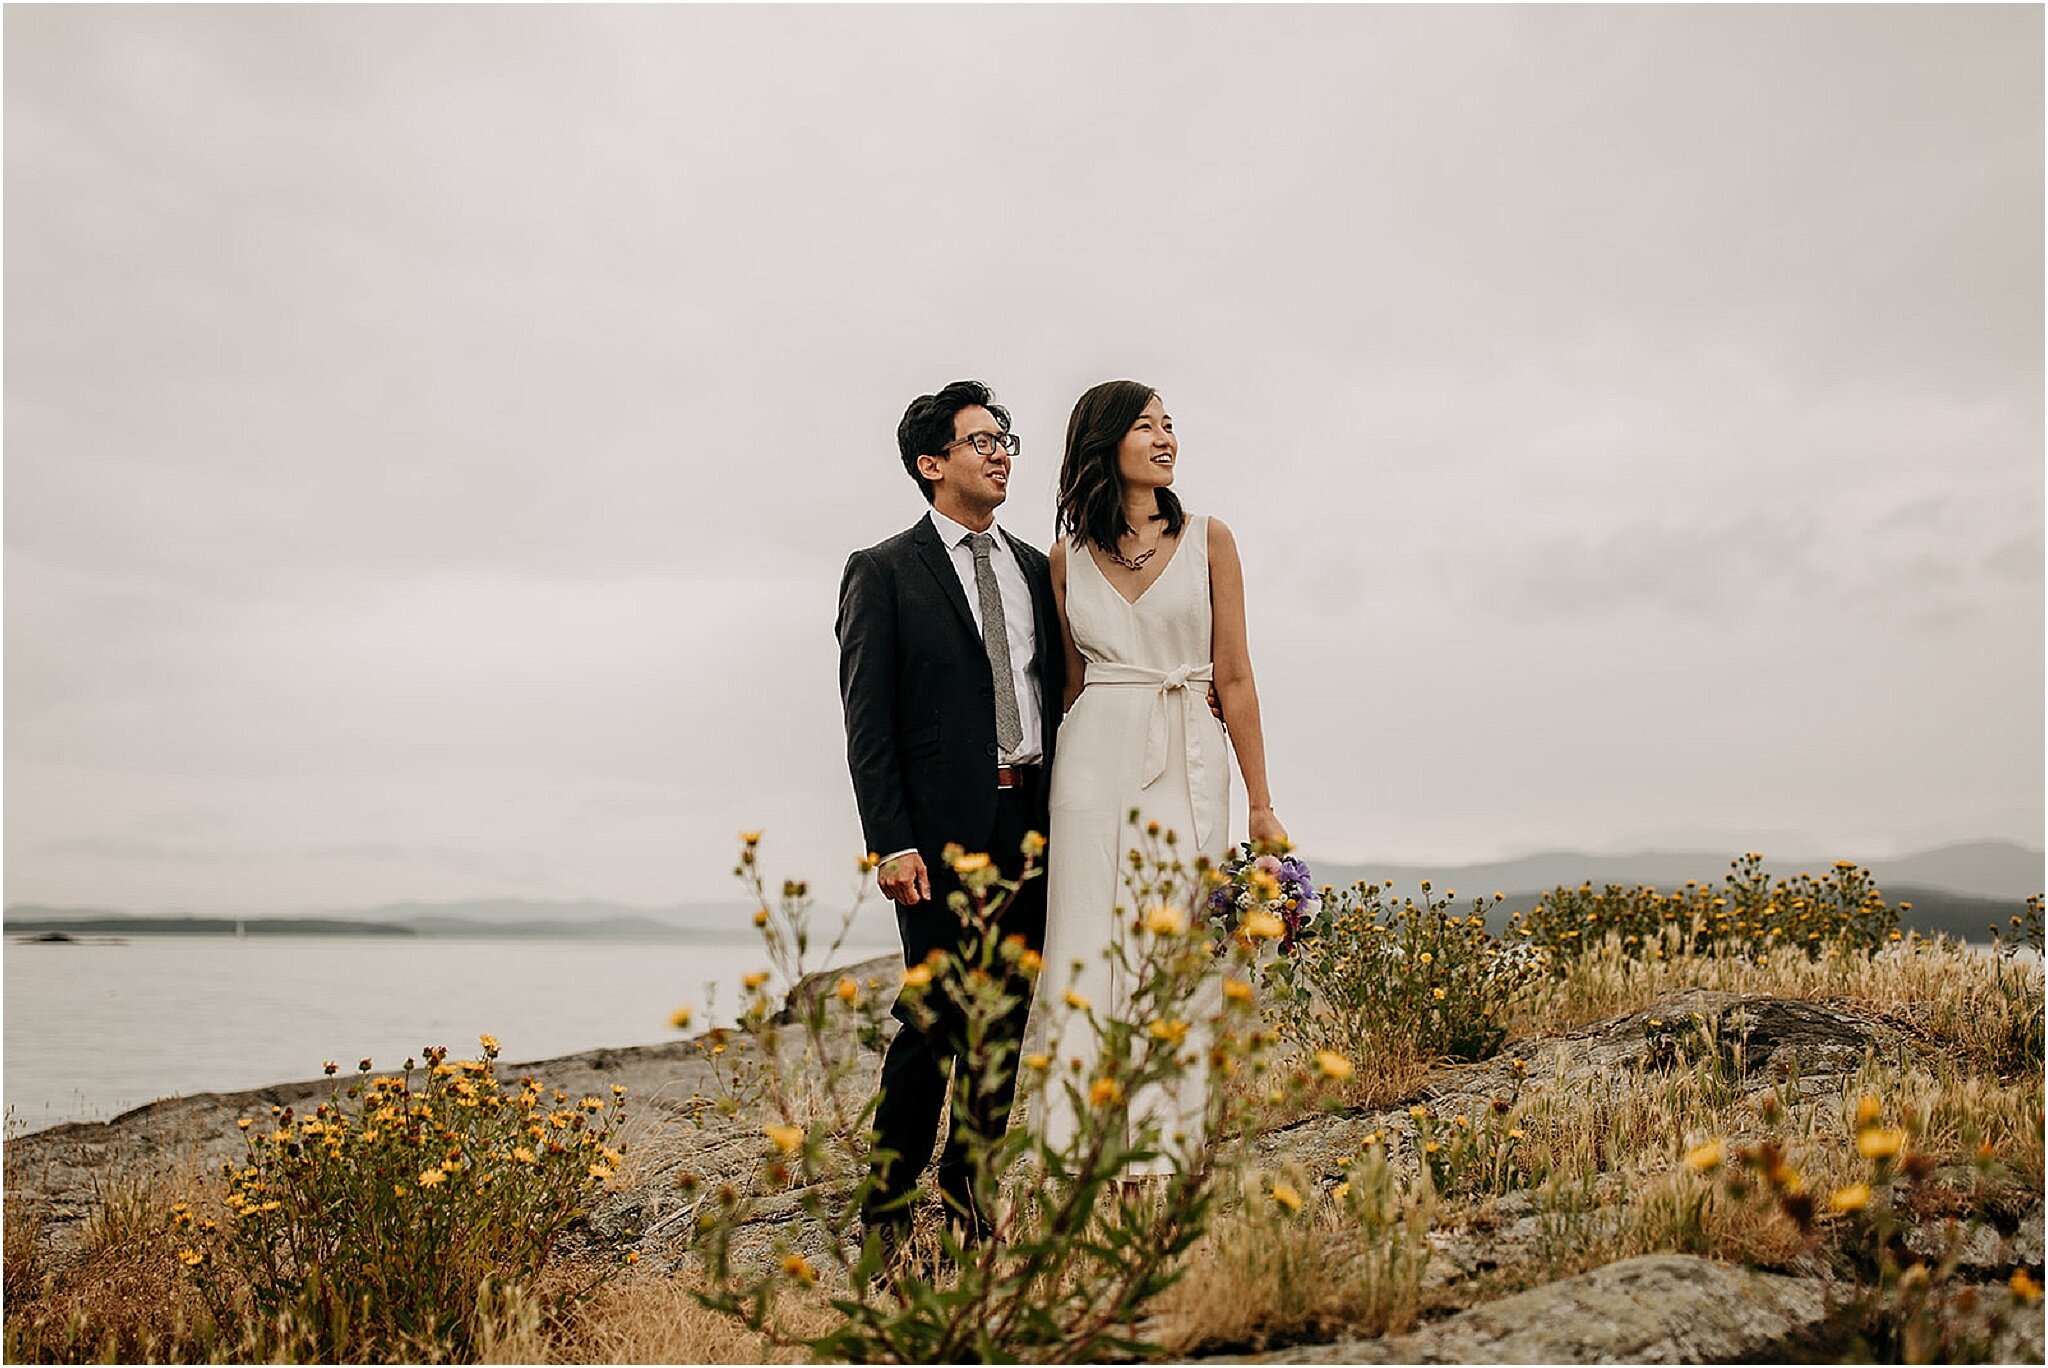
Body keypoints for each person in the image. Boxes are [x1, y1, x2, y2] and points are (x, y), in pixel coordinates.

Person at [1034, 379, 1285, 1175]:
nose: (1166, 437)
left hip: (1187, 751)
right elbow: (1069, 687)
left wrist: (1262, 805)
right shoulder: (1063, 558)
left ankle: (1168, 1143)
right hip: (1092, 759)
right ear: (1106, 442)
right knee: (1085, 938)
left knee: (1176, 932)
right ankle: (1079, 1144)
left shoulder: (1212, 539)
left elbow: (1236, 677)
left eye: (1170, 425)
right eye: (1146, 426)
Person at [836, 379, 1063, 1256]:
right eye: (980, 440)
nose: (1000, 451)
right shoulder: (884, 570)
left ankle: (970, 1190)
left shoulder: (1039, 569)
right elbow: (869, 720)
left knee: (1004, 1015)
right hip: (934, 837)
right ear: (932, 464)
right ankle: (887, 1208)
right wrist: (889, 840)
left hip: (1031, 822)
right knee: (934, 1020)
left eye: (1006, 438)